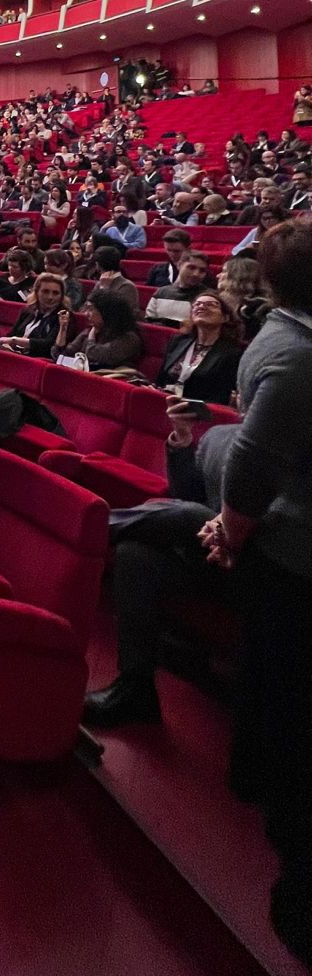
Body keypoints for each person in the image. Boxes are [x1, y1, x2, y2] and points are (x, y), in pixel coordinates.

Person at [194, 223, 312, 962]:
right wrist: (232, 530)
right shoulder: (294, 353)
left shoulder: (283, 343)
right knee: (286, 692)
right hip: (288, 548)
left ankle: (259, 780)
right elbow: (253, 463)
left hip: (279, 538)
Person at [155, 293, 242, 407]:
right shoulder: (178, 341)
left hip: (198, 411)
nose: (201, 307)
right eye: (197, 304)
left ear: (225, 317)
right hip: (164, 402)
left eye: (211, 304)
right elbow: (161, 379)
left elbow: (221, 397)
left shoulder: (232, 353)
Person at [53, 290, 143, 374]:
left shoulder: (129, 338)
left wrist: (91, 339)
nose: (86, 314)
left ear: (106, 312)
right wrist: (63, 330)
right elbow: (61, 355)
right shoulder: (90, 331)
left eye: (91, 309)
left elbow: (96, 357)